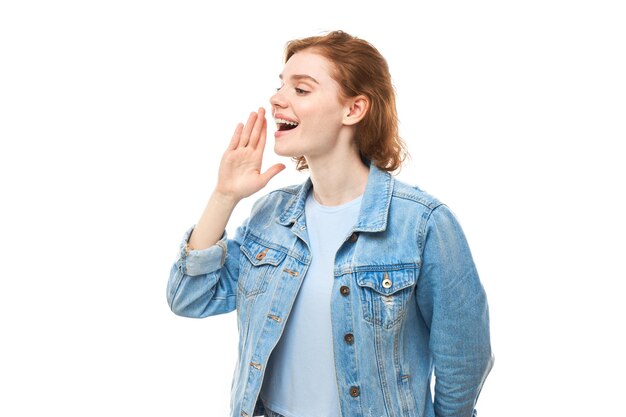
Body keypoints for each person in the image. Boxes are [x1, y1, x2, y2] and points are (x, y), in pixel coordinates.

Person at [167, 30, 493, 417]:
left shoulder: (422, 224)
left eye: (301, 90)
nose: (276, 99)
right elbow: (190, 298)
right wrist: (224, 196)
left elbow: (464, 355)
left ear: (353, 110)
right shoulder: (271, 215)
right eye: (281, 86)